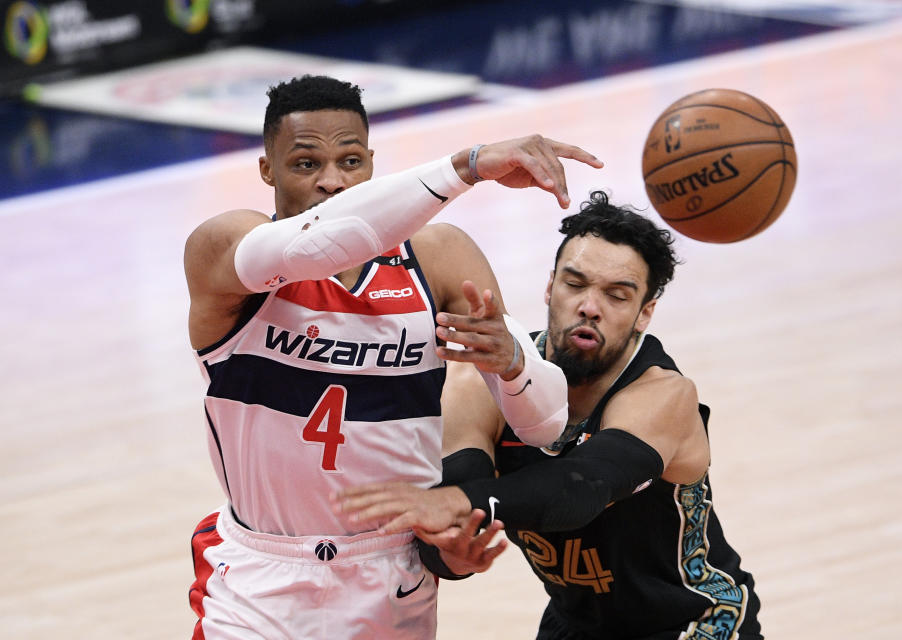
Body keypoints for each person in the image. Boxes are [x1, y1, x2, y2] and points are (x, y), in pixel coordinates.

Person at [182, 74, 603, 639]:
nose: (333, 181)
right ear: (267, 171)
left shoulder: (441, 258)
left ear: (374, 164)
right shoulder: (227, 248)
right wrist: (468, 165)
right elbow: (320, 242)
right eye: (306, 164)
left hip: (391, 577)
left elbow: (547, 424)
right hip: (261, 583)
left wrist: (513, 365)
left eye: (351, 161)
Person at [338, 191, 763, 639]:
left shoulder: (662, 395)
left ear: (645, 314)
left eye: (617, 296)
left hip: (691, 622)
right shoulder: (482, 383)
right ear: (550, 286)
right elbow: (452, 511)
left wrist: (459, 502)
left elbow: (581, 489)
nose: (589, 306)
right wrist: (454, 554)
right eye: (575, 284)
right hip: (576, 624)